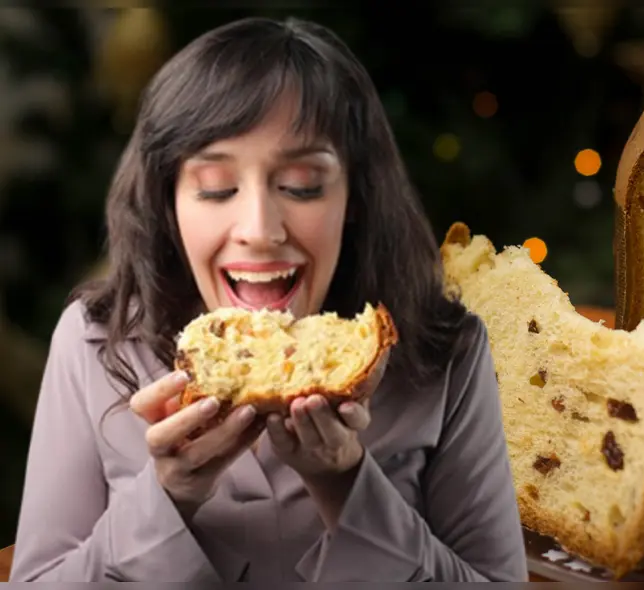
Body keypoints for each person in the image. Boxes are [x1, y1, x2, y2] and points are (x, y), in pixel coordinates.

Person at [10, 16, 528, 582]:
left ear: (355, 195)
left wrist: (347, 483)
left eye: (303, 185)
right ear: (168, 202)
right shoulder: (93, 341)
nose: (259, 228)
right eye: (216, 189)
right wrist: (166, 496)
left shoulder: (447, 347)